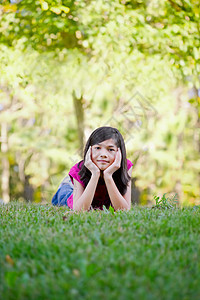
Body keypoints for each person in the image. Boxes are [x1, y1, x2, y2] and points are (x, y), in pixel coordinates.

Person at [52, 126, 133, 211]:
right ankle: (67, 182)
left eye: (111, 149)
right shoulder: (78, 169)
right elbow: (79, 210)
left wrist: (108, 176)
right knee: (64, 193)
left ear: (119, 152)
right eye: (97, 148)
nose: (103, 154)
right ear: (89, 150)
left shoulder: (125, 166)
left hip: (98, 197)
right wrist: (95, 174)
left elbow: (124, 209)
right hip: (70, 193)